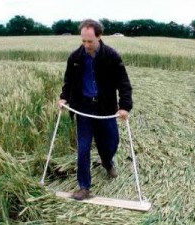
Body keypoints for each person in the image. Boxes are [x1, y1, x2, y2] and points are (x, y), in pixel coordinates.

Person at [58, 19, 133, 200]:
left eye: (89, 41)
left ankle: (107, 162)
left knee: (110, 142)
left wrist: (124, 106)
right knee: (83, 148)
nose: (86, 45)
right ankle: (84, 187)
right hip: (83, 108)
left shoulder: (112, 56)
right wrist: (63, 97)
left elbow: (123, 83)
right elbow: (68, 81)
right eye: (83, 41)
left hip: (105, 108)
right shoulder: (75, 58)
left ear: (99, 37)